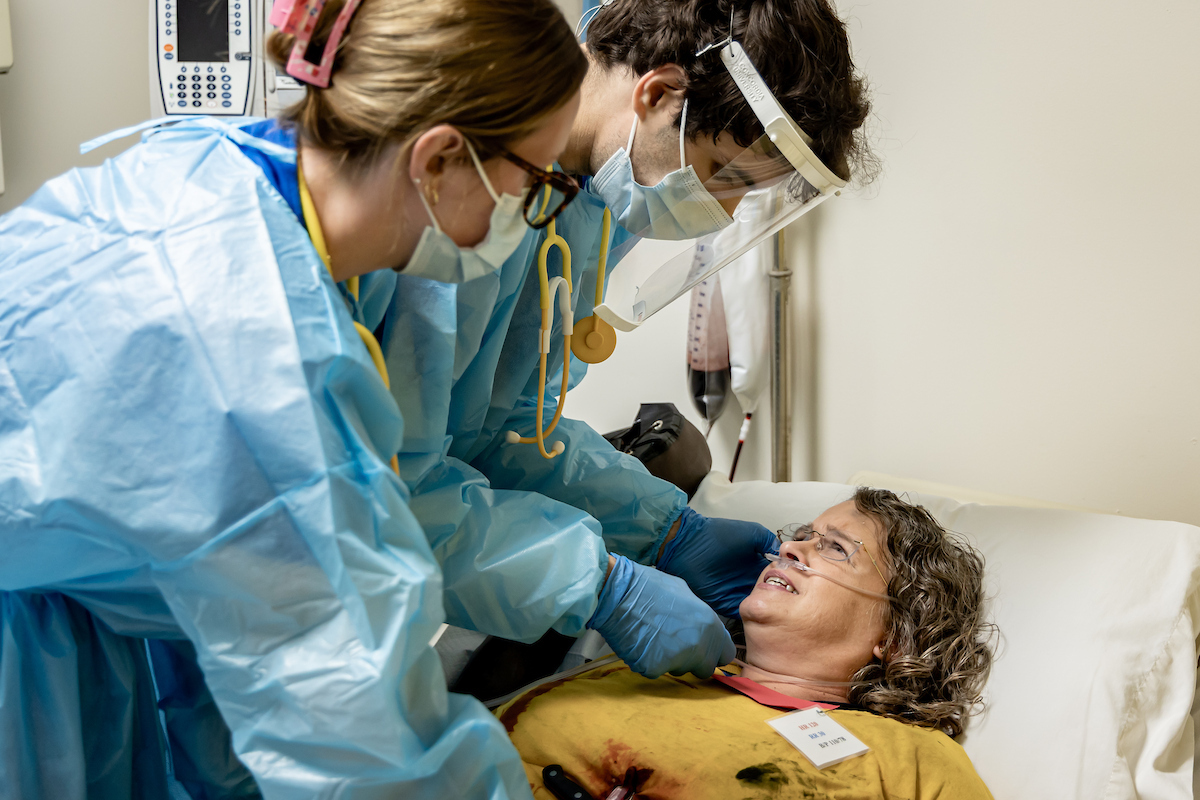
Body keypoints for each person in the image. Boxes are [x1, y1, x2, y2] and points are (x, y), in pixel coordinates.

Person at [0, 0, 588, 797]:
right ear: (443, 157)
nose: (537, 207)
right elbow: (366, 744)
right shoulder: (257, 357)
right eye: (537, 179)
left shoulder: (221, 171)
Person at [373, 0, 874, 679]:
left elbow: (508, 429)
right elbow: (384, 487)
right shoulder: (471, 185)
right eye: (724, 174)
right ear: (660, 95)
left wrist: (663, 527)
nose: (720, 213)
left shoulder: (596, 194)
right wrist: (599, 584)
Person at [499, 488, 998, 799]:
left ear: (894, 636)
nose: (788, 547)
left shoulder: (910, 759)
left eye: (834, 548)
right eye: (802, 534)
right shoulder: (651, 664)